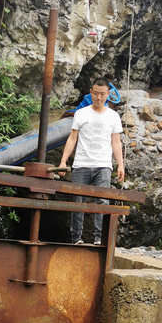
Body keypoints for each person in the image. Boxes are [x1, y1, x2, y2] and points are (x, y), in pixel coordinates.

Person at [58, 77, 124, 244]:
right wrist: (63, 161)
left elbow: (116, 142)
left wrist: (121, 165)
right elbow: (72, 138)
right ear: (91, 93)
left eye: (102, 94)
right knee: (78, 201)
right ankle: (76, 238)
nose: (99, 97)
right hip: (81, 164)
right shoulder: (81, 113)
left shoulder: (113, 116)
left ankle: (98, 239)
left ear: (108, 94)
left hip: (104, 165)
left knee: (102, 200)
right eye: (96, 94)